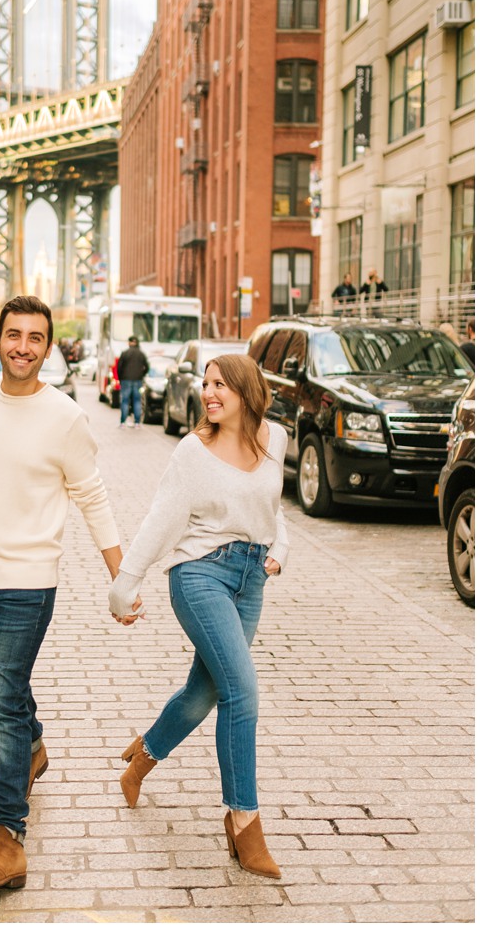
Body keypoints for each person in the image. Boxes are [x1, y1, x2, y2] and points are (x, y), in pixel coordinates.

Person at [0, 295, 126, 890]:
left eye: (34, 337)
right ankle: (35, 749)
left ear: (50, 347)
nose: (22, 346)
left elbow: (92, 496)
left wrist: (122, 575)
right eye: (12, 334)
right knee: (9, 694)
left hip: (26, 584)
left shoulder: (65, 417)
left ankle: (4, 838)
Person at [106, 354, 289, 879]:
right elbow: (164, 517)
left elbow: (275, 511)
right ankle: (244, 821)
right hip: (200, 575)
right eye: (206, 384)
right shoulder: (193, 451)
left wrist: (281, 550)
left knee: (206, 692)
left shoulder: (272, 439)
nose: (209, 393)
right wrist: (127, 580)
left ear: (248, 392)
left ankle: (142, 757)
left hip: (252, 578)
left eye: (221, 385)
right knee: (242, 692)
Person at [116, 335, 150, 427]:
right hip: (137, 380)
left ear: (129, 342)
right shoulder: (141, 354)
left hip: (125, 380)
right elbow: (147, 367)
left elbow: (119, 367)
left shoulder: (125, 353)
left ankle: (123, 422)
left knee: (125, 401)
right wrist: (141, 375)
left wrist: (120, 378)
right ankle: (137, 423)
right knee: (137, 401)